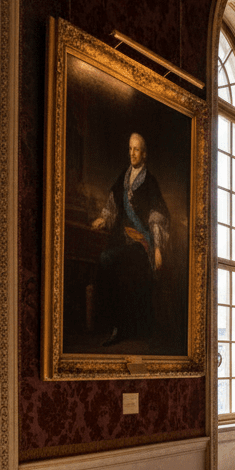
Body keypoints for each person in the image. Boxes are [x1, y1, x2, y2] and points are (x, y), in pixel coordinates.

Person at [91, 133, 169, 346]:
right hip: (121, 237)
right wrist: (104, 218)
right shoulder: (123, 177)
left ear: (144, 154)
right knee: (104, 258)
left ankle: (122, 327)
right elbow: (112, 205)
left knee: (119, 262)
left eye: (136, 150)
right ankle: (106, 323)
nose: (132, 153)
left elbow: (158, 216)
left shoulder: (150, 182)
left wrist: (157, 248)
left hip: (141, 243)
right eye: (130, 149)